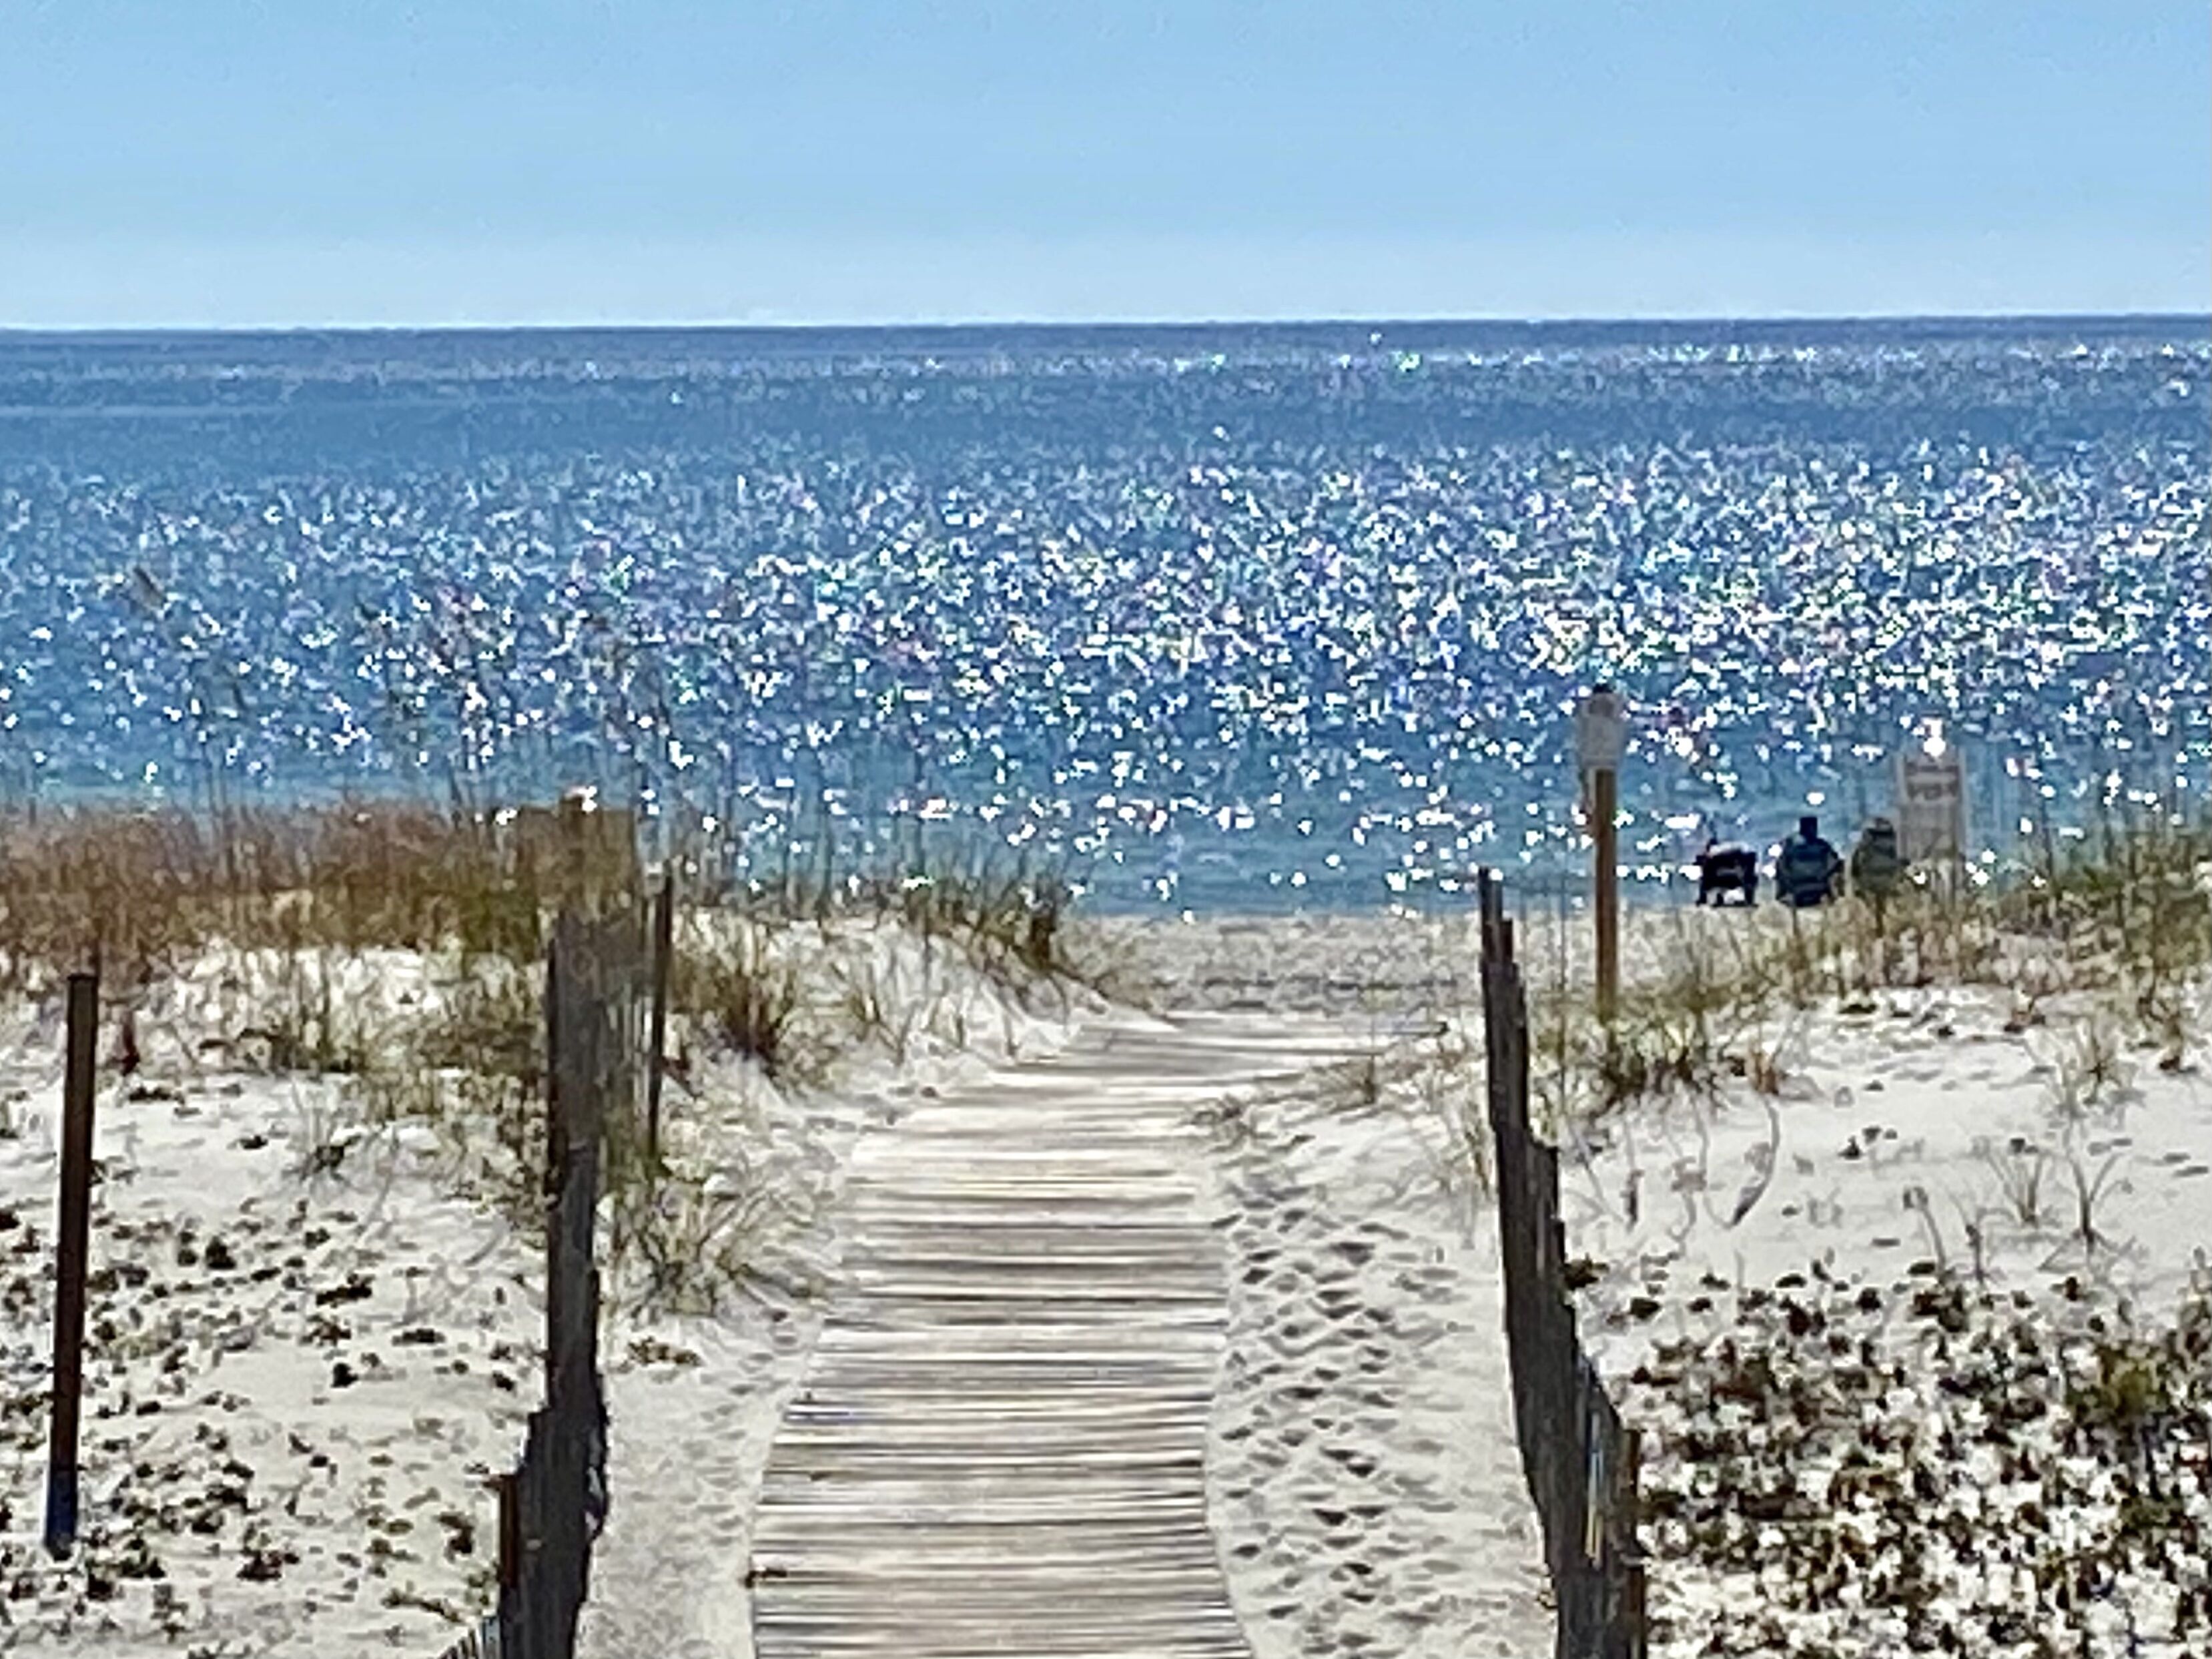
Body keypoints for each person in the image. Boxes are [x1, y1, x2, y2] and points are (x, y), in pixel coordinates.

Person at [1775, 814, 1842, 908]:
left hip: (1796, 890)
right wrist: (1823, 876)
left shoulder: (1790, 848)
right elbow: (1834, 865)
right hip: (1820, 889)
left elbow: (1781, 868)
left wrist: (1788, 886)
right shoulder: (1823, 846)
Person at [1849, 816, 1904, 904]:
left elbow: (1855, 865)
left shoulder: (1866, 841)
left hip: (1868, 880)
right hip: (1889, 879)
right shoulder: (1892, 841)